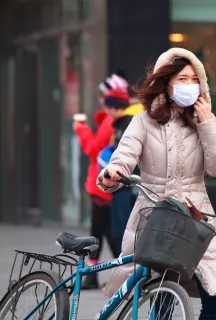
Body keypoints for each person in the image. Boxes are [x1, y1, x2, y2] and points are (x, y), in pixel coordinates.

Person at [96, 47, 216, 319]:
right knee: (164, 298)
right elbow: (123, 158)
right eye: (182, 79)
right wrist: (112, 174)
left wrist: (207, 123)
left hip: (196, 220)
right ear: (165, 83)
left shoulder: (203, 122)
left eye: (194, 79)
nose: (189, 85)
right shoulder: (143, 122)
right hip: (155, 218)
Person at [71, 78, 123, 290]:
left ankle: (121, 269)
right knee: (99, 232)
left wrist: (80, 129)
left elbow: (93, 149)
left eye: (103, 97)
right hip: (101, 187)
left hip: (104, 186)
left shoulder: (110, 123)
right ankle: (94, 274)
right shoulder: (110, 121)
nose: (100, 100)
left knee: (106, 232)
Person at [101, 88, 144, 255]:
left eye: (107, 107)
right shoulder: (124, 123)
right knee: (120, 230)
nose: (105, 111)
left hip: (127, 184)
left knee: (125, 230)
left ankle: (128, 273)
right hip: (122, 182)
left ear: (114, 107)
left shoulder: (128, 123)